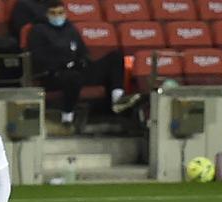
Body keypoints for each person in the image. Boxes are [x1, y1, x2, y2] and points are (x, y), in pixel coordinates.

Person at [26, 0, 140, 129]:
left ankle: (117, 99)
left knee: (115, 57)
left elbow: (83, 52)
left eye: (60, 12)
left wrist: (83, 61)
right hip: (53, 74)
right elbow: (38, 58)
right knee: (73, 77)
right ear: (46, 14)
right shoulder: (38, 31)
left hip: (78, 69)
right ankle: (67, 116)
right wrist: (65, 63)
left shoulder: (70, 29)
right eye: (53, 13)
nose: (57, 16)